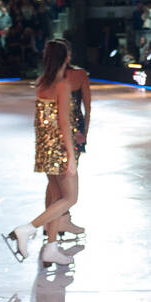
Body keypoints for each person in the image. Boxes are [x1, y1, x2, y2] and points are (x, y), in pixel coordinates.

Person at [3, 39, 79, 266]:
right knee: (70, 198)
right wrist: (71, 156)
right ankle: (27, 229)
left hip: (45, 146)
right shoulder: (62, 85)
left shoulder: (41, 82)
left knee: (56, 197)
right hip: (59, 147)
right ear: (66, 57)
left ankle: (51, 248)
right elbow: (64, 122)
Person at [47, 56, 90, 240]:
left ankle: (51, 223)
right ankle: (58, 221)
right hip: (73, 131)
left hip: (51, 134)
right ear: (67, 55)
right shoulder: (79, 75)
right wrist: (84, 132)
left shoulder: (47, 79)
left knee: (55, 183)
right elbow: (87, 106)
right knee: (67, 188)